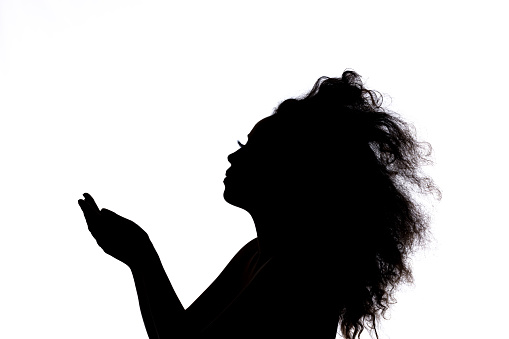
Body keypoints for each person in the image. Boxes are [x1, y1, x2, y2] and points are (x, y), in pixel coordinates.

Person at [78, 70, 440, 339]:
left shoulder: (299, 268)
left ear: (294, 170)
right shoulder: (256, 253)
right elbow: (178, 334)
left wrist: (142, 258)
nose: (234, 156)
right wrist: (140, 258)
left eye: (253, 147)